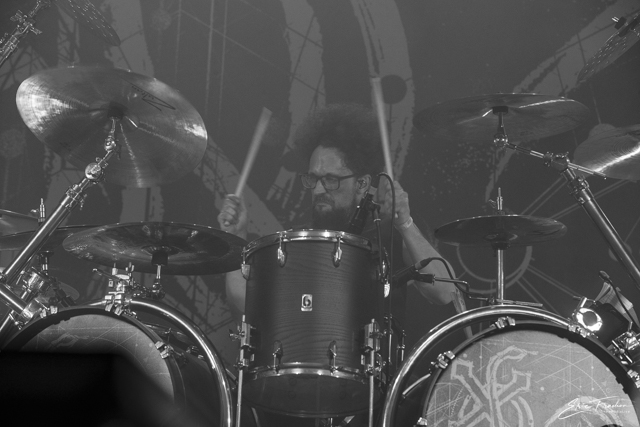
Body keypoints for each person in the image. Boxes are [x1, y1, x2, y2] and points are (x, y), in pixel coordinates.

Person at [218, 104, 458, 316]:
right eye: (313, 179)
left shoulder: (388, 234)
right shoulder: (299, 240)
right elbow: (247, 304)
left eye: (331, 180)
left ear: (362, 184)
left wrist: (405, 224)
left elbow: (446, 292)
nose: (318, 189)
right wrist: (235, 237)